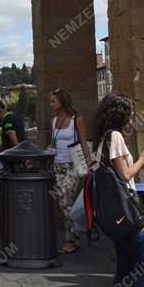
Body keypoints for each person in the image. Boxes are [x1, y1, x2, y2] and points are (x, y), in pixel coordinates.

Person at [93, 94, 144, 287]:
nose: (131, 120)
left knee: (126, 265)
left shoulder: (102, 139)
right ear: (120, 116)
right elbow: (125, 175)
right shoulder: (115, 137)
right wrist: (143, 160)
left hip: (114, 215)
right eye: (129, 116)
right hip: (126, 213)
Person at [46, 88, 91, 254]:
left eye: (53, 101)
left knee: (64, 199)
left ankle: (73, 239)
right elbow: (53, 144)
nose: (51, 104)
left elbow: (84, 142)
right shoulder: (54, 121)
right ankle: (75, 234)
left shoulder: (76, 119)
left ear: (62, 101)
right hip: (58, 164)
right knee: (65, 201)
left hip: (73, 164)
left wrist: (89, 163)